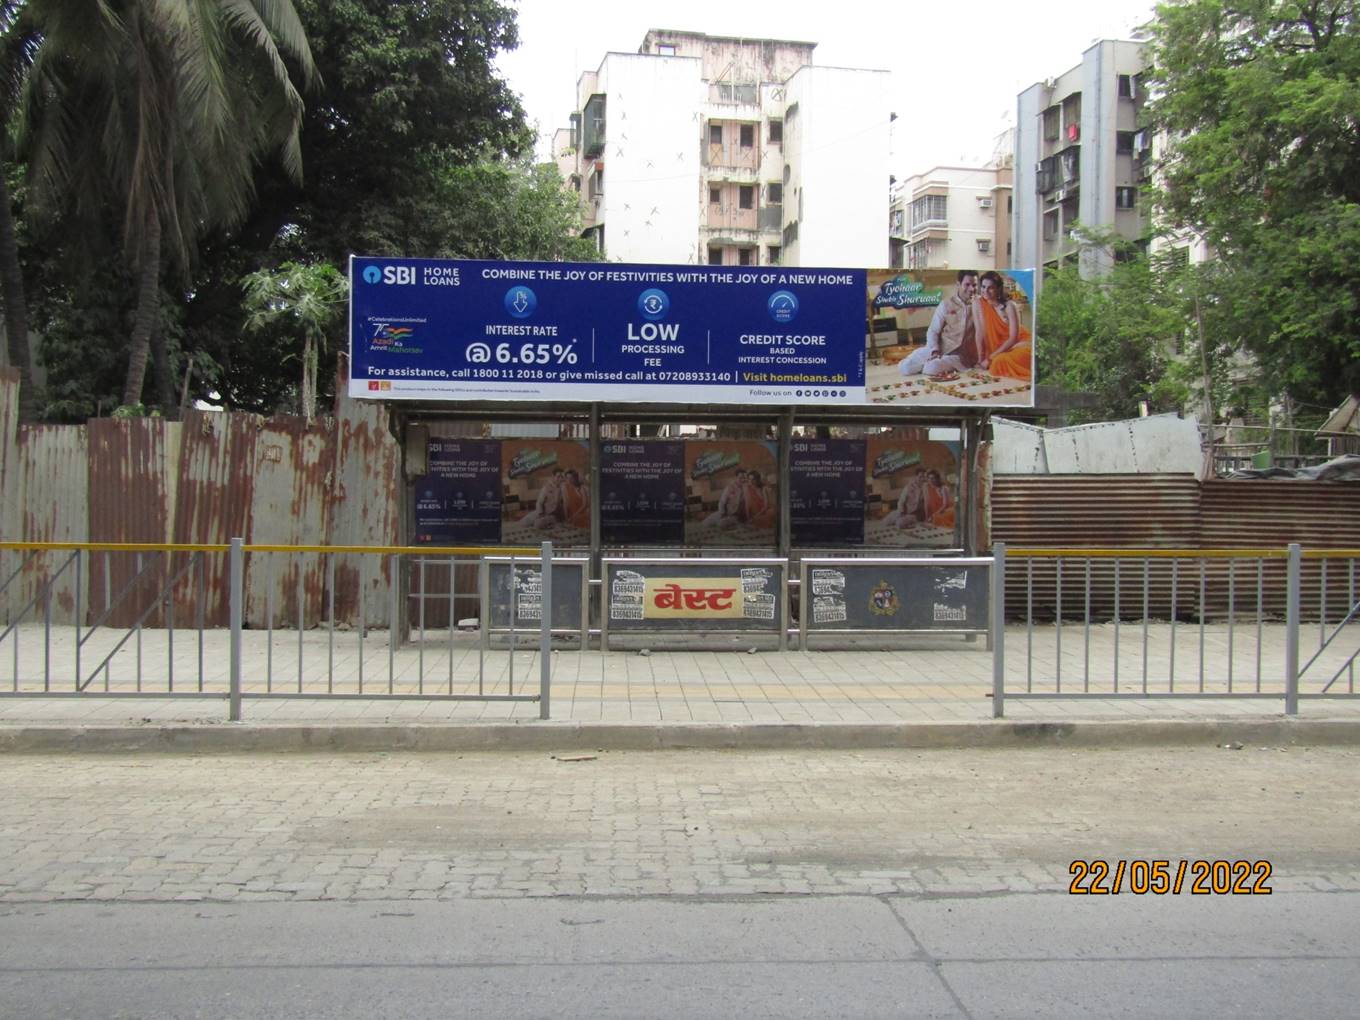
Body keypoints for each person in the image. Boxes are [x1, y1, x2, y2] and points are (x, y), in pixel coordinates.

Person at [898, 271, 979, 377]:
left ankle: (933, 364)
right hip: (940, 348)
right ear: (958, 284)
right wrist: (935, 351)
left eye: (974, 285)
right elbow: (933, 331)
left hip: (959, 355)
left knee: (931, 368)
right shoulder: (946, 304)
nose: (972, 289)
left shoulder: (979, 305)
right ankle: (930, 362)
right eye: (967, 285)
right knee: (905, 367)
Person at [972, 270, 1032, 380]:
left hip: (1018, 345)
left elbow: (1013, 338)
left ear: (998, 289)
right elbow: (979, 332)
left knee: (999, 361)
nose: (986, 291)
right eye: (983, 287)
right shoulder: (977, 304)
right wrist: (980, 359)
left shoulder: (1009, 306)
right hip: (997, 350)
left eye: (990, 287)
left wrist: (989, 359)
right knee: (999, 362)